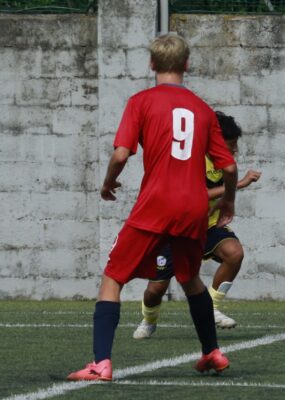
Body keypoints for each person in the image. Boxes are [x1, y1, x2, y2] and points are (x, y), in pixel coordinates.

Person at [67, 33, 238, 381]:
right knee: (190, 279)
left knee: (113, 279)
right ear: (186, 65)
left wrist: (108, 181)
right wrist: (229, 199)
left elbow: (120, 153)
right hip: (193, 208)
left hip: (156, 204)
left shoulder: (141, 101)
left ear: (152, 64)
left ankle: (101, 364)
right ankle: (212, 352)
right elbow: (230, 168)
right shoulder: (204, 110)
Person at [133, 112, 261, 338]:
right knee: (155, 290)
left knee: (235, 253)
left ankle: (211, 307)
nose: (235, 150)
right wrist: (238, 185)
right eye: (231, 145)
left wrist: (225, 199)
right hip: (175, 230)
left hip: (207, 226)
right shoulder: (191, 160)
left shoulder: (224, 163)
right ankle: (149, 320)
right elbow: (196, 195)